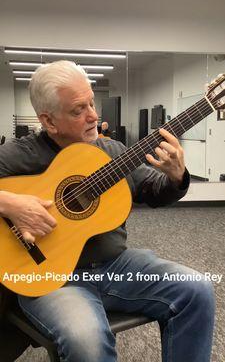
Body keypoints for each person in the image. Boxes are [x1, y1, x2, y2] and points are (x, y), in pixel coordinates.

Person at [0, 60, 214, 362]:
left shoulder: (111, 152)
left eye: (92, 102)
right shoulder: (19, 155)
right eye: (78, 109)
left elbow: (153, 188)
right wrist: (10, 203)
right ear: (49, 122)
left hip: (117, 266)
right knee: (86, 339)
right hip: (50, 276)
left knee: (197, 290)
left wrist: (176, 175)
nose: (93, 115)